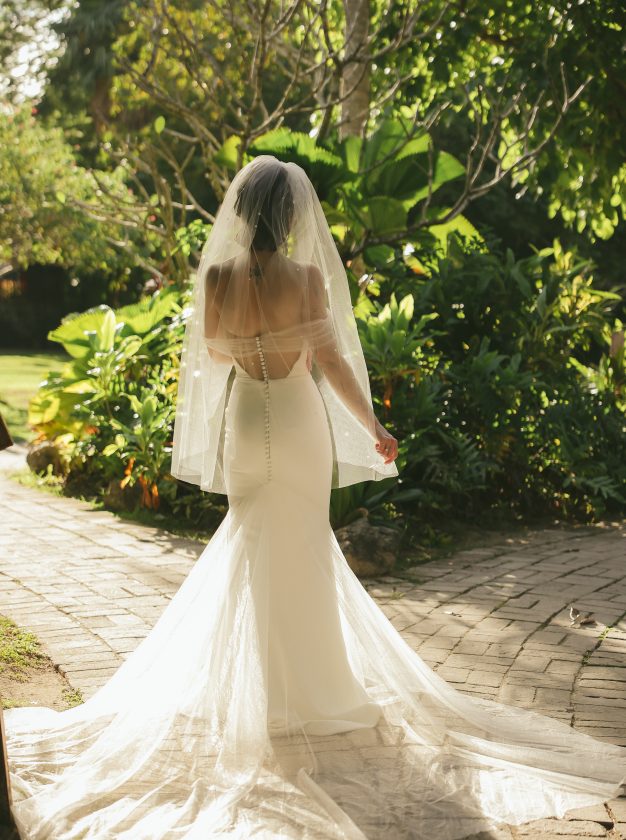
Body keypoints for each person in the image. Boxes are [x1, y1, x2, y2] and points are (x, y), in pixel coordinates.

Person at [3, 156, 625, 839]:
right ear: (294, 217)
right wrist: (377, 427)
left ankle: (262, 696)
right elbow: (329, 364)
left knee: (252, 548)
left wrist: (253, 340)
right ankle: (316, 693)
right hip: (299, 422)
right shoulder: (305, 279)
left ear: (240, 216)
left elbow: (212, 355)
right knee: (305, 550)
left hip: (247, 419)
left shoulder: (216, 277)